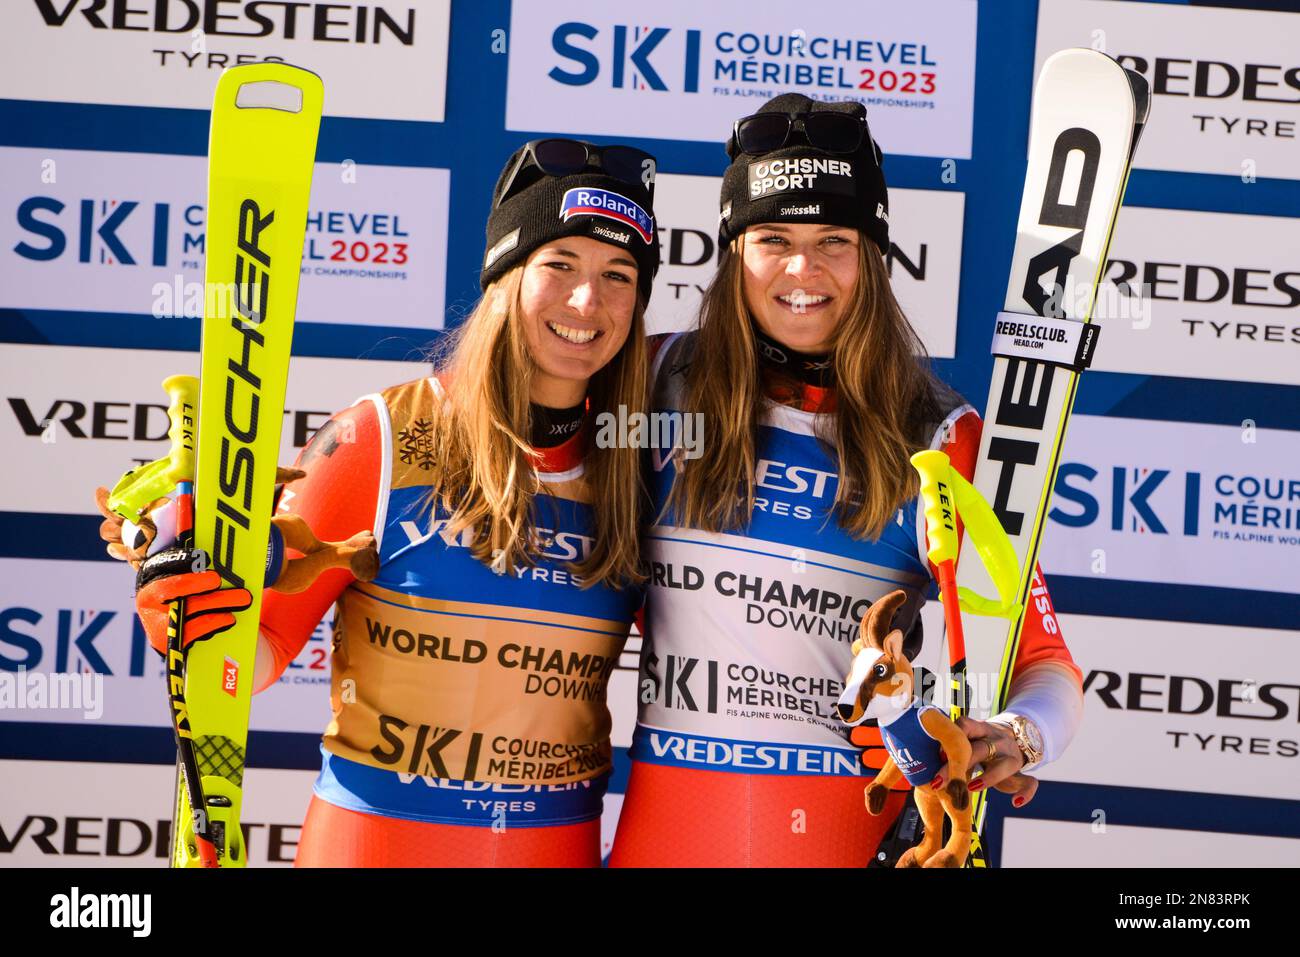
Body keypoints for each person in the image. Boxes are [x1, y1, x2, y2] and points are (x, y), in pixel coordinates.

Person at [107, 138, 662, 867]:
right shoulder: (382, 436)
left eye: (619, 274)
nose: (588, 300)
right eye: (559, 264)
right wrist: (184, 595)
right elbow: (255, 656)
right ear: (504, 277)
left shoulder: (637, 463)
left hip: (551, 845)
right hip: (376, 841)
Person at [609, 94, 1083, 867]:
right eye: (773, 238)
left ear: (873, 253)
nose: (805, 269)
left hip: (855, 837)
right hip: (668, 839)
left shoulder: (937, 437)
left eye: (836, 238)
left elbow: (1046, 664)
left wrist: (1015, 733)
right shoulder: (655, 385)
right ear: (734, 250)